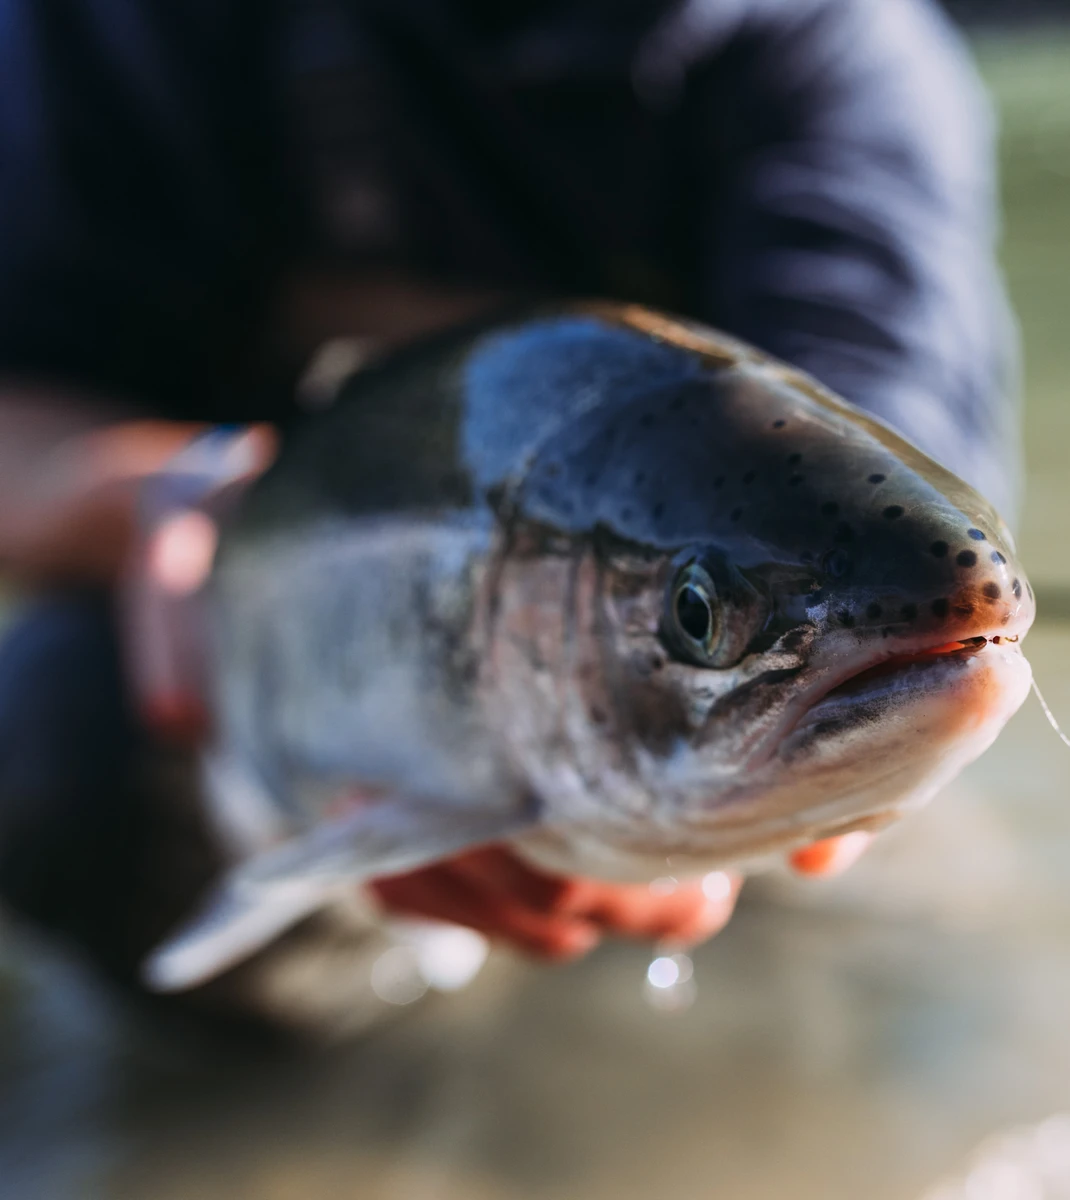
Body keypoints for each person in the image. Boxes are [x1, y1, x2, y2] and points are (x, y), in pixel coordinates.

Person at [0, 0, 1018, 1027]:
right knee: (50, 725)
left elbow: (886, 545)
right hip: (258, 647)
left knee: (905, 943)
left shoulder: (832, 47)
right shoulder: (114, 28)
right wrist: (166, 500)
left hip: (714, 705)